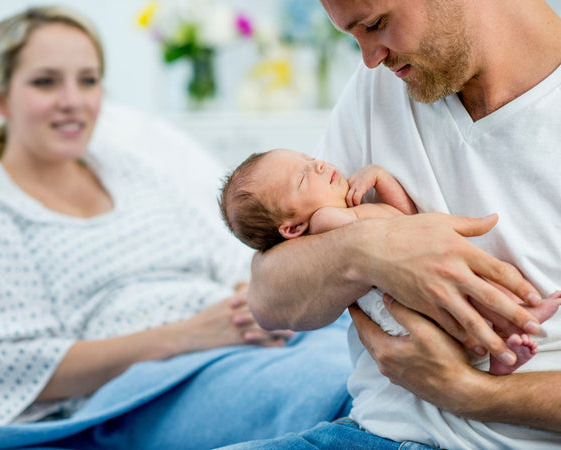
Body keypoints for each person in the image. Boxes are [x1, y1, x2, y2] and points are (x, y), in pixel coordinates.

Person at [0, 6, 354, 449]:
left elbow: (230, 263)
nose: (72, 100)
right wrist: (187, 336)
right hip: (153, 384)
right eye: (45, 81)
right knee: (343, 390)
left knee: (384, 366)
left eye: (87, 80)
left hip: (257, 337)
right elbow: (2, 367)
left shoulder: (132, 171)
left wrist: (259, 304)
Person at [237, 0, 561, 448]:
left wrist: (473, 393)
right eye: (355, 36)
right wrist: (372, 249)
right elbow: (269, 296)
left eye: (375, 24)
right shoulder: (381, 84)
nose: (370, 58)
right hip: (371, 434)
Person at [220, 147, 561, 376]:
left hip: (413, 290)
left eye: (309, 159)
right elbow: (391, 234)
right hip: (399, 306)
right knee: (469, 292)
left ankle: (502, 359)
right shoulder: (325, 221)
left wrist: (380, 178)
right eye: (303, 177)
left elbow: (403, 217)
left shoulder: (346, 211)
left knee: (473, 294)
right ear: (292, 228)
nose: (319, 165)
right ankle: (514, 328)